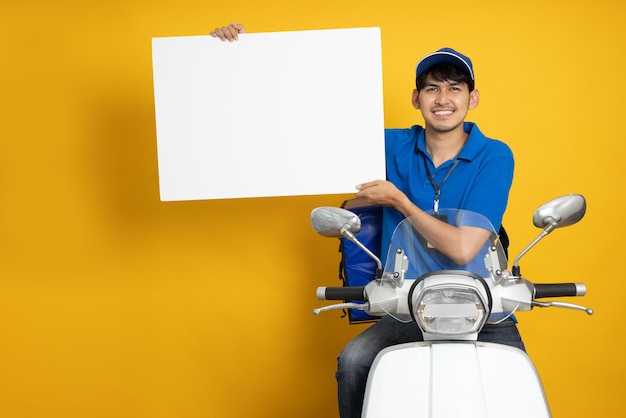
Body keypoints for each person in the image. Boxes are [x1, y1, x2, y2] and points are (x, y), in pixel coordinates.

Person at [211, 23, 525, 418]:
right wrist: (234, 59)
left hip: (482, 306)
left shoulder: (494, 156)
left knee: (517, 384)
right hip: (408, 305)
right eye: (432, 88)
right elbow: (293, 124)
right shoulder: (389, 145)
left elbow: (463, 248)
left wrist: (399, 201)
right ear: (416, 98)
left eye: (454, 88)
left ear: (472, 98)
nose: (443, 98)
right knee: (355, 362)